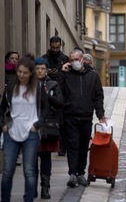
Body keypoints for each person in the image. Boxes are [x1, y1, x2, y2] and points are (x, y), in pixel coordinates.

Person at [0, 56, 49, 202]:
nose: (21, 75)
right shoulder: (10, 87)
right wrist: (3, 124)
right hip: (11, 132)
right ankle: (5, 199)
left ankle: (28, 199)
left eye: (25, 73)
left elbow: (46, 108)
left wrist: (37, 125)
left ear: (31, 73)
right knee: (8, 171)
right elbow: (2, 108)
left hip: (30, 133)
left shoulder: (38, 87)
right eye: (19, 72)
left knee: (29, 171)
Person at [57, 49, 106, 187]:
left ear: (82, 59)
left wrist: (100, 115)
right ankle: (73, 174)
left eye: (76, 59)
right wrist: (62, 72)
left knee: (84, 146)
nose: (74, 62)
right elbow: (57, 89)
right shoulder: (66, 75)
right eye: (71, 60)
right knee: (73, 146)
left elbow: (98, 97)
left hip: (85, 117)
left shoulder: (93, 76)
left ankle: (80, 173)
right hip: (70, 116)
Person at [34, 57, 65, 199]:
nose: (40, 71)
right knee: (31, 159)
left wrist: (48, 97)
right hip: (31, 126)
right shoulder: (27, 85)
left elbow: (60, 103)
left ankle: (45, 188)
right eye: (37, 68)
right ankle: (32, 187)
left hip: (48, 126)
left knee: (46, 158)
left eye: (42, 68)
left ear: (46, 70)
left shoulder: (53, 84)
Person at [42, 36, 69, 156]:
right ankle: (46, 143)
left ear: (60, 45)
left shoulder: (65, 58)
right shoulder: (44, 58)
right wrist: (48, 72)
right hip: (47, 91)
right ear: (49, 45)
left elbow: (67, 77)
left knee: (62, 120)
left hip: (60, 92)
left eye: (57, 47)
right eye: (53, 47)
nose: (54, 50)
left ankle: (62, 147)